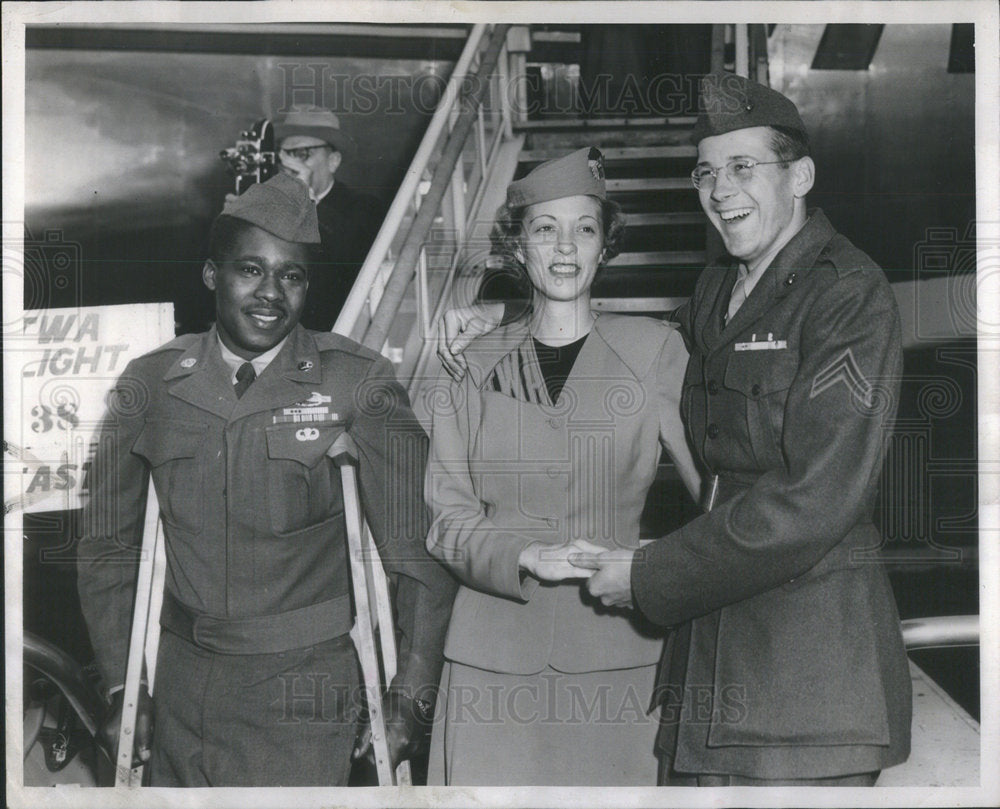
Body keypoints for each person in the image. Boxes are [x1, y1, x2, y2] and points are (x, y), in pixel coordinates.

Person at [437, 73, 912, 786]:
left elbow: (816, 498)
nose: (723, 190)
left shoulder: (847, 293)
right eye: (707, 172)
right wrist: (498, 320)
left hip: (809, 674)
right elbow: (579, 334)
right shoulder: (719, 291)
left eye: (744, 168)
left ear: (801, 175)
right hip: (711, 663)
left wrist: (649, 572)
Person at [77, 173, 456, 787]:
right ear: (211, 275)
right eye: (251, 270)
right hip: (179, 686)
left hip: (303, 691)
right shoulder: (150, 384)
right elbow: (107, 546)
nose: (271, 293)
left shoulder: (353, 382)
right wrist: (123, 684)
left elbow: (419, 552)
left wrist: (412, 691)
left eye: (292, 275)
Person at [424, 147, 702, 785]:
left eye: (584, 228)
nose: (565, 247)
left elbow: (713, 504)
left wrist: (655, 566)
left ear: (606, 247)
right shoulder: (471, 359)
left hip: (619, 659)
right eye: (544, 229)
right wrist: (524, 555)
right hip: (487, 662)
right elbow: (447, 519)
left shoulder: (656, 350)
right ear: (517, 248)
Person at [274, 107, 385, 331]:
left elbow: (351, 260)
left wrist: (309, 204)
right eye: (285, 154)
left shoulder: (363, 207)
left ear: (333, 161)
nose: (289, 164)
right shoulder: (272, 206)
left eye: (303, 153)